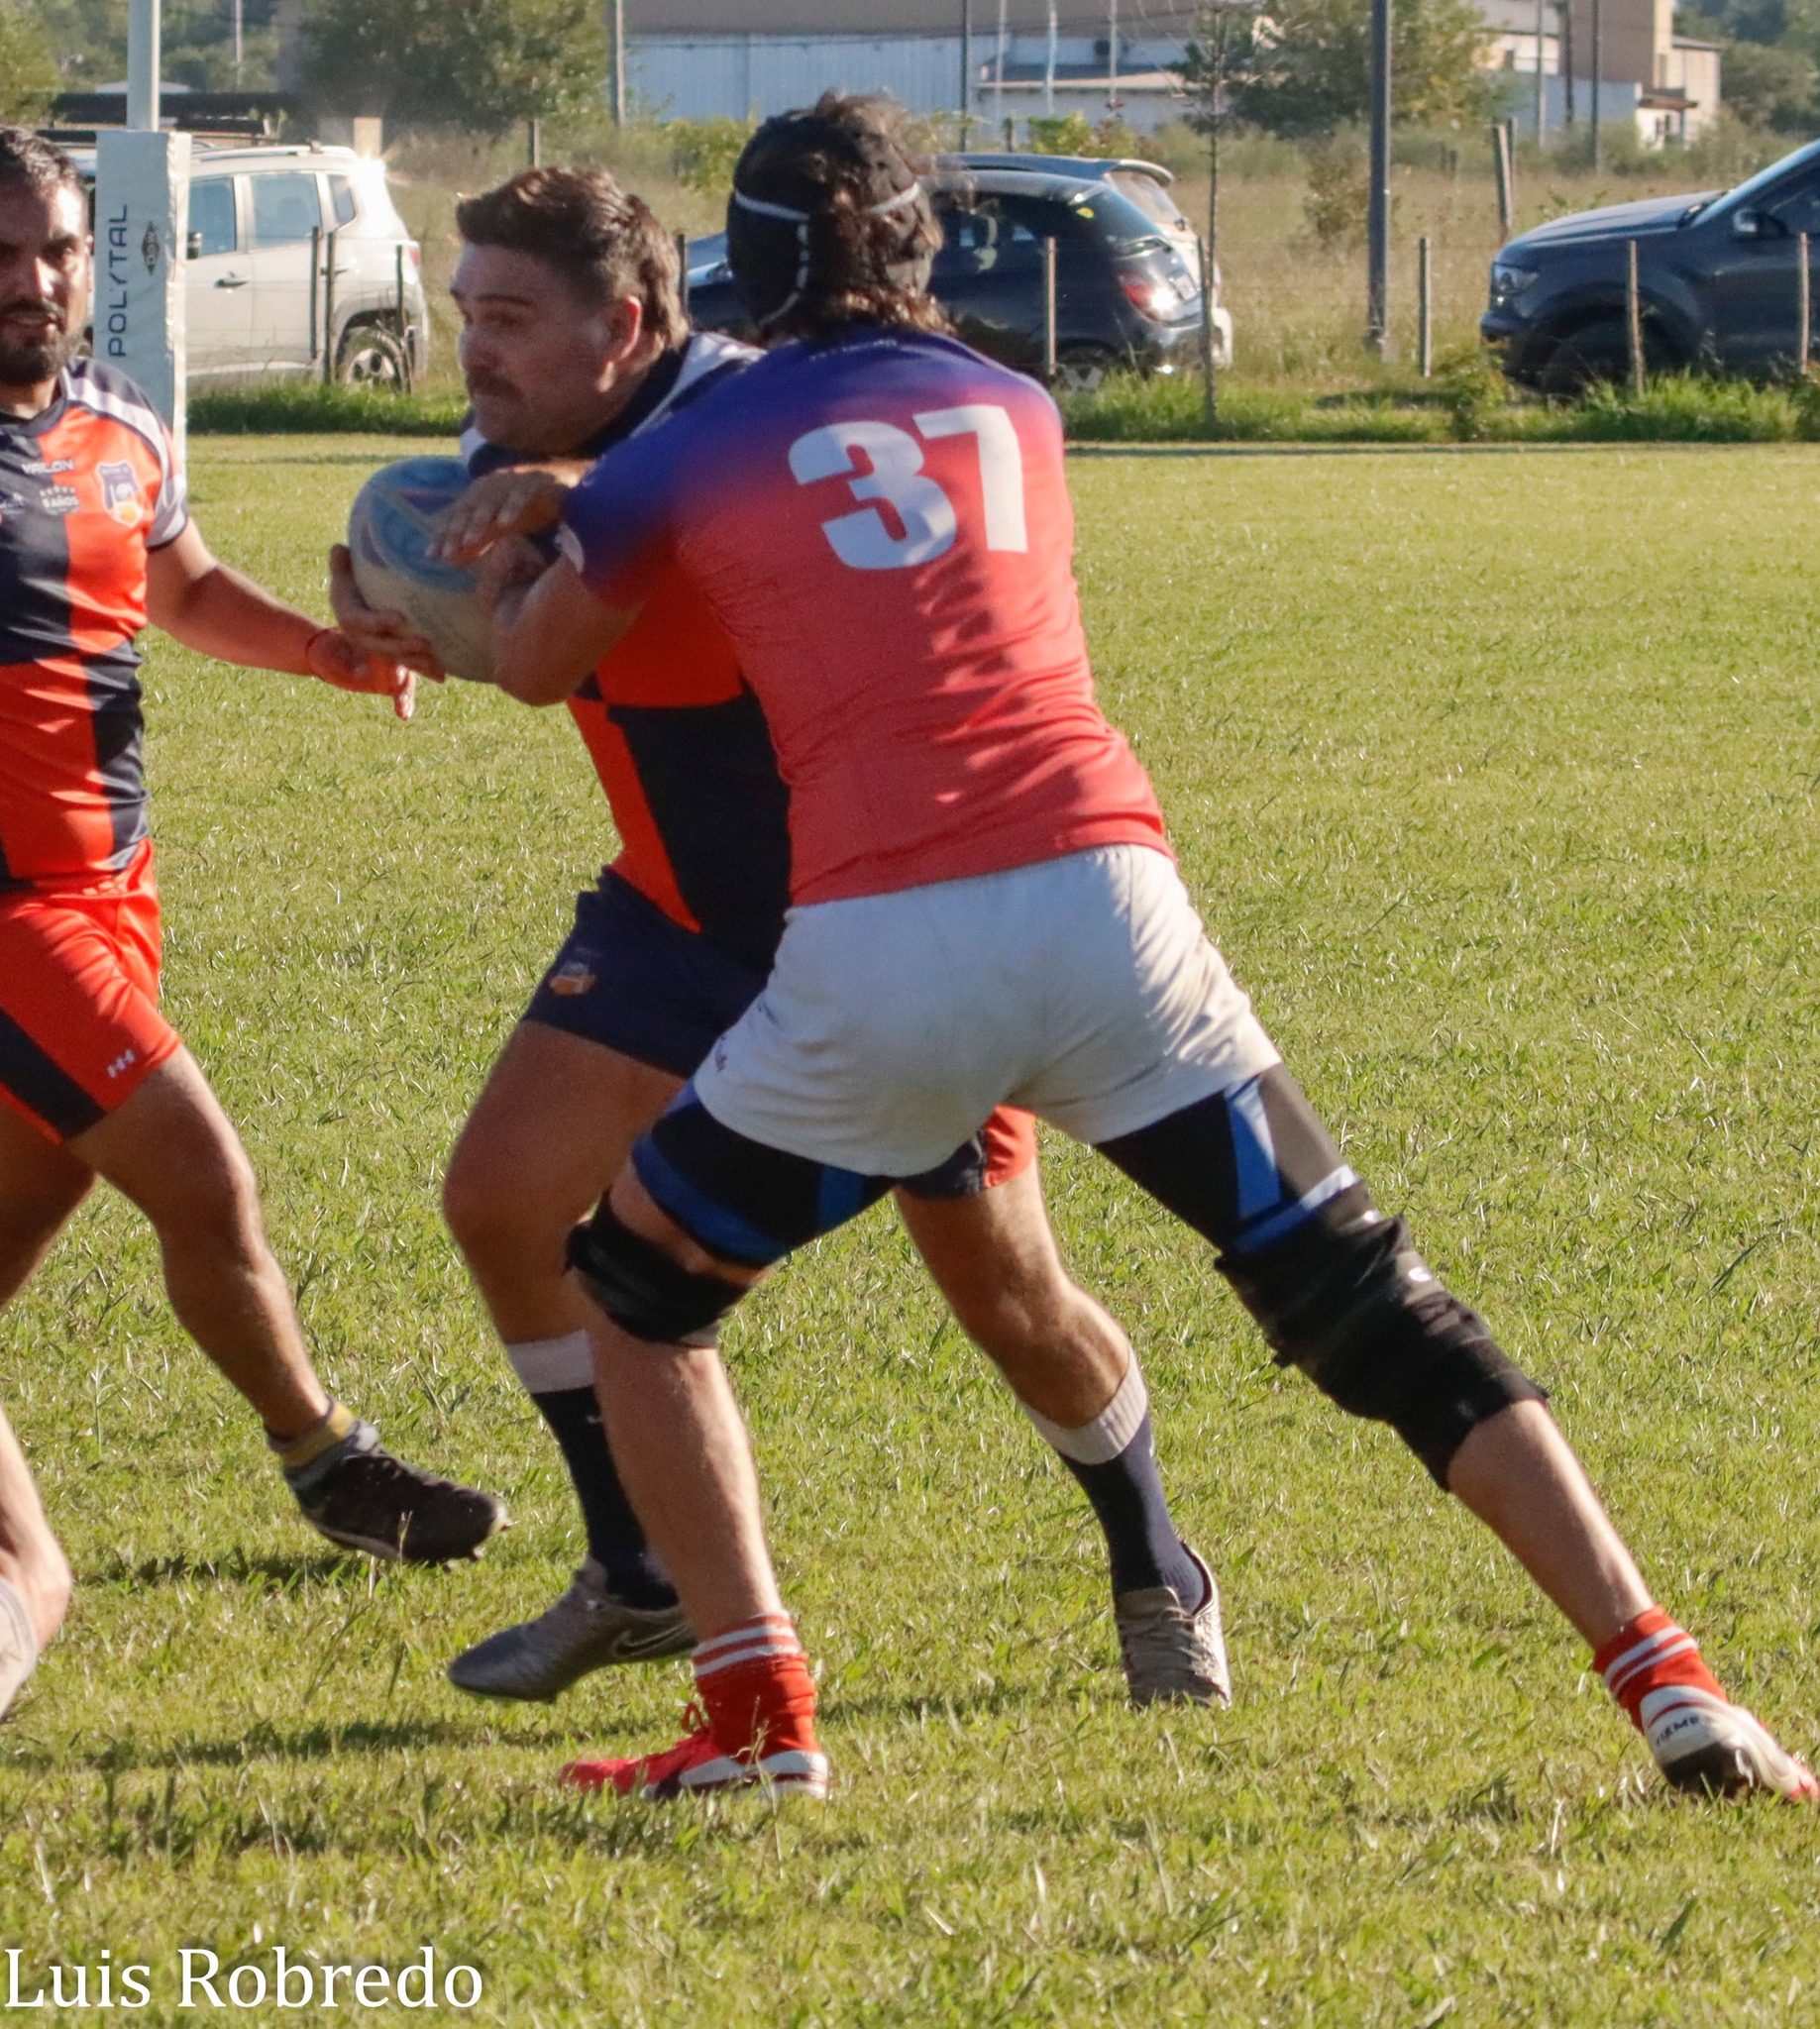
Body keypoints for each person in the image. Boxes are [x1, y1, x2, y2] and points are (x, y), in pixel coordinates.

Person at [457, 96, 1817, 1807]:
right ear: (920, 243)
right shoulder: (1019, 404)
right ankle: (1673, 1683)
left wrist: (512, 551)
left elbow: (536, 661)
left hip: (882, 940)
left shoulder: (680, 456)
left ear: (749, 261)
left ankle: (757, 1724)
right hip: (1111, 905)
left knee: (639, 1295)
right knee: (1374, 1306)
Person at [331, 165, 1226, 1709]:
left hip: (876, 920)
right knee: (503, 1199)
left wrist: (568, 510)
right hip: (681, 912)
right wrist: (410, 608)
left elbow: (740, 541)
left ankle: (1155, 1562)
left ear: (627, 324)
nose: (475, 350)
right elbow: (552, 637)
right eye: (465, 312)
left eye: (512, 318)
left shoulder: (757, 417)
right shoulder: (504, 450)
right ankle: (639, 1571)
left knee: (1008, 1299)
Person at [0, 129, 506, 1718]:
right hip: (11, 917)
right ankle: (325, 1456)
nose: (32, 280)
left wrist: (327, 653)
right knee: (203, 1175)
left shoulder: (122, 421)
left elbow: (181, 586)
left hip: (113, 892)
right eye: (0, 256)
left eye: (55, 250)